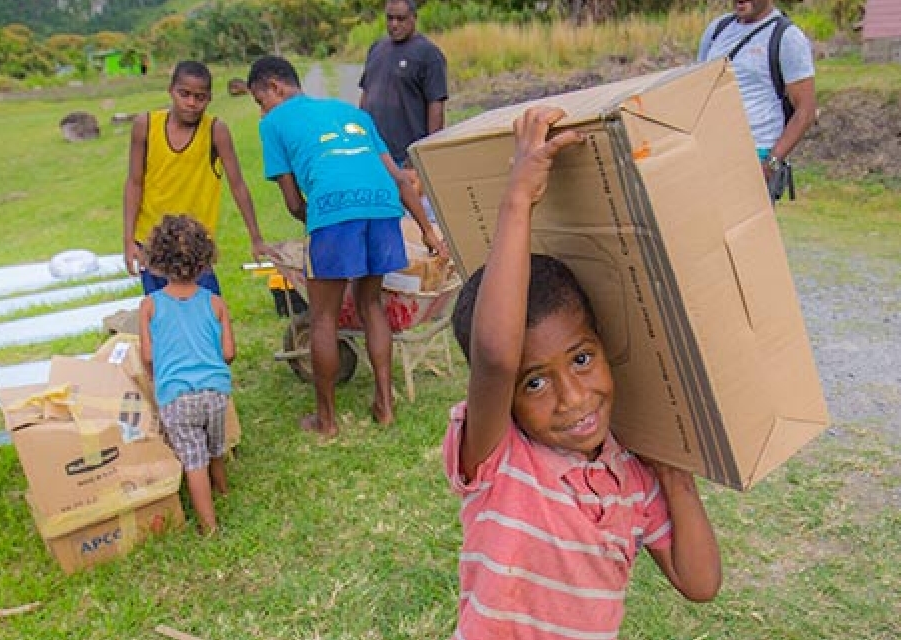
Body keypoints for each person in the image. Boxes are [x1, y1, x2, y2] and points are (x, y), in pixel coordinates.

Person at [443, 106, 723, 638]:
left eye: (580, 358)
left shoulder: (631, 477)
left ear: (603, 345)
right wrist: (517, 198)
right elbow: (497, 355)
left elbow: (700, 582)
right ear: (505, 397)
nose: (573, 398)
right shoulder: (498, 456)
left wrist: (674, 471)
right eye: (535, 382)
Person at [246, 55, 447, 437]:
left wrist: (323, 225)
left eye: (260, 100)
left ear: (274, 87)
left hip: (334, 213)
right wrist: (428, 232)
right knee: (371, 304)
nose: (262, 109)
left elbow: (292, 203)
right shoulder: (349, 111)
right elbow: (401, 179)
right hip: (382, 207)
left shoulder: (272, 123)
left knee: (323, 316)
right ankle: (385, 406)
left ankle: (326, 422)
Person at [124, 61, 270, 295]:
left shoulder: (215, 131)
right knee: (161, 317)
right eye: (185, 94)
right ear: (171, 91)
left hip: (196, 245)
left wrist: (256, 238)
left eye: (200, 97)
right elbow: (134, 182)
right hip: (152, 242)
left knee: (207, 317)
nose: (192, 103)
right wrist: (129, 240)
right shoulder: (146, 125)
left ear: (210, 98)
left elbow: (238, 185)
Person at [136, 214, 236, 535]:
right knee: (215, 446)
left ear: (157, 262)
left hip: (176, 397)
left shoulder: (149, 306)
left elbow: (148, 355)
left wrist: (156, 375)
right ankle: (223, 490)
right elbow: (229, 353)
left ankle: (209, 526)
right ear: (204, 260)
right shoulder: (216, 302)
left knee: (194, 460)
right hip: (216, 393)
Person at [695, 0, 817, 200]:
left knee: (744, 231)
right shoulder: (716, 30)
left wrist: (771, 163)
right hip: (711, 152)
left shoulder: (787, 37)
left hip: (755, 156)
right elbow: (696, 86)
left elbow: (806, 111)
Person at [358, 0, 448, 169]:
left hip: (407, 157)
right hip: (375, 153)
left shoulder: (428, 54)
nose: (394, 24)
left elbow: (436, 106)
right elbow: (366, 94)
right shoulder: (377, 48)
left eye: (401, 19)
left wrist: (425, 153)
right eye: (390, 18)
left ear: (414, 18)